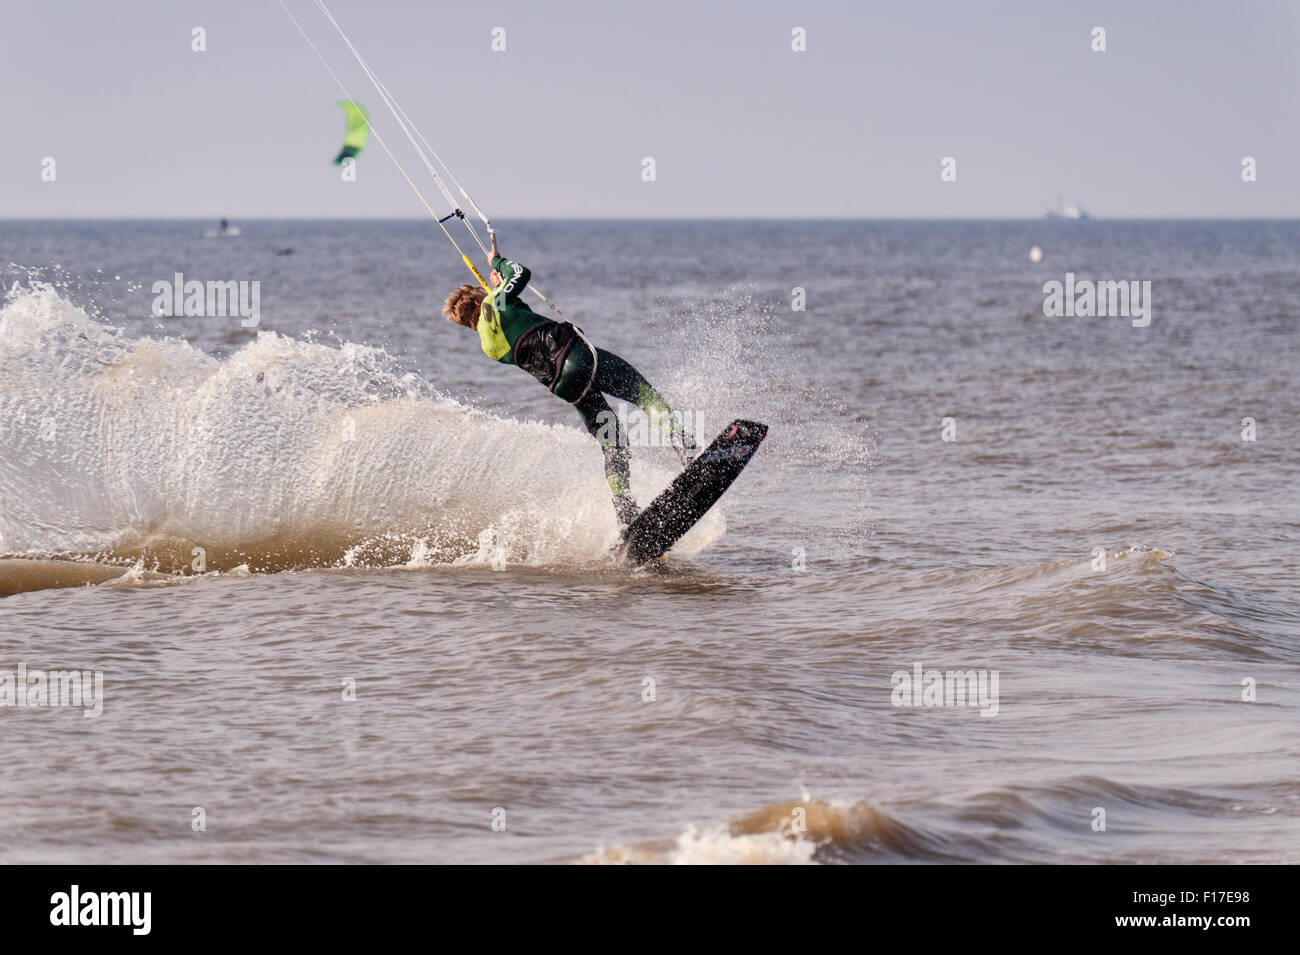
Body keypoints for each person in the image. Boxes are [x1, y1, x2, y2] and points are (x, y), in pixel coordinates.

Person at [442, 237, 695, 531]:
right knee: (646, 397)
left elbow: (519, 322)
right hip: (578, 358)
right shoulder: (495, 301)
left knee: (613, 444)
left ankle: (625, 513)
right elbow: (521, 273)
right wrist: (498, 264)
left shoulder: (488, 346)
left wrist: (502, 291)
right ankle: (689, 453)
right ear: (477, 301)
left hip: (565, 387)